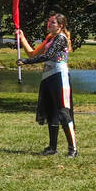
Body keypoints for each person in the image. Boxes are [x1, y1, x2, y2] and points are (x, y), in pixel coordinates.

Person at [18, 13, 77, 157]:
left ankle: (72, 149)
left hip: (59, 75)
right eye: (49, 22)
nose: (49, 24)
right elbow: (33, 53)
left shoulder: (61, 38)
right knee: (51, 112)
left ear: (60, 26)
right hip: (48, 76)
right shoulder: (50, 39)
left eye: (53, 23)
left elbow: (48, 55)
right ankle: (52, 147)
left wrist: (26, 62)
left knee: (63, 111)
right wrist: (22, 37)